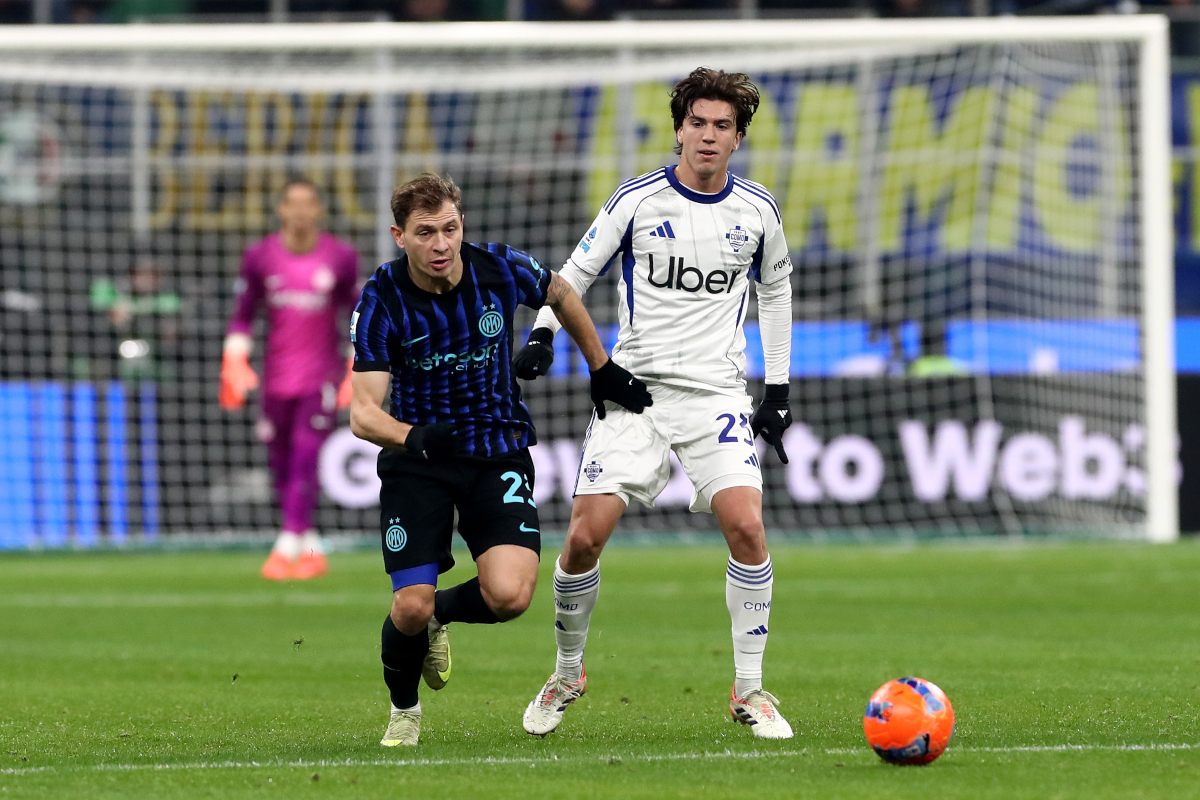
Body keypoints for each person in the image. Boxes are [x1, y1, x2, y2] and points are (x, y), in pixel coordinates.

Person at [515, 67, 796, 740]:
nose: (707, 136)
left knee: (748, 529)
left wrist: (778, 389)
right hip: (634, 390)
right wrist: (543, 335)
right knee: (584, 537)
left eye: (721, 126)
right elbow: (575, 272)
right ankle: (567, 671)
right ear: (678, 129)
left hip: (716, 393)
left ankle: (752, 691)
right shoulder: (636, 200)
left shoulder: (758, 212)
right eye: (696, 122)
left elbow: (775, 294)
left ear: (738, 138)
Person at [348, 173, 650, 747]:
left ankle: (441, 614)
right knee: (407, 607)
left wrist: (601, 367)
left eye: (451, 229)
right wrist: (412, 437)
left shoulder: (498, 268)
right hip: (420, 462)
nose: (441, 244)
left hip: (497, 452)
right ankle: (404, 711)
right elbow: (362, 413)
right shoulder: (382, 298)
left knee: (510, 595)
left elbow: (560, 292)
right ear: (399, 236)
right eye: (426, 232)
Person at [220, 179, 359, 581]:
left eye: (307, 204)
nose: (300, 212)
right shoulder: (260, 256)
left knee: (304, 458)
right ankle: (310, 546)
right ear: (281, 210)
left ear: (318, 210)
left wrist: (355, 366)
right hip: (275, 380)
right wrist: (234, 359)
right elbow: (244, 313)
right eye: (292, 204)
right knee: (280, 464)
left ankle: (285, 546)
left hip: (321, 379)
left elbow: (356, 314)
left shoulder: (340, 256)